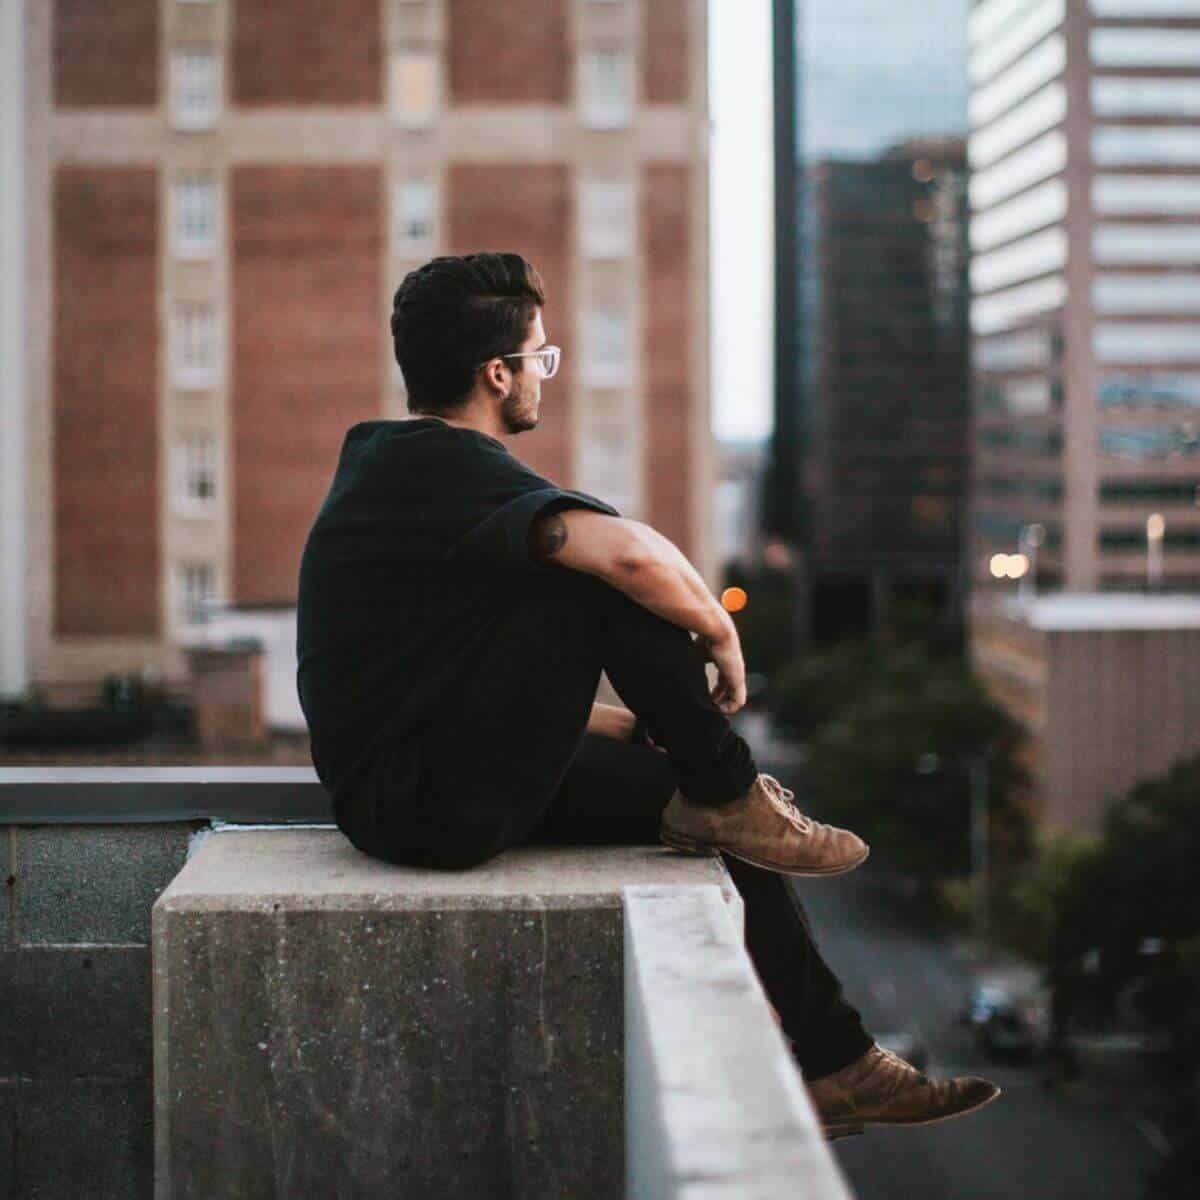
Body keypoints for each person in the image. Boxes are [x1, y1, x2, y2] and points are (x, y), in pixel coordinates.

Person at [296, 251, 1000, 1139]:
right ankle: (731, 787)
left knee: (711, 822)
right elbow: (629, 556)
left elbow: (431, 679)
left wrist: (625, 727)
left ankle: (838, 1063)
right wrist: (718, 629)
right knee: (590, 577)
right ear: (497, 373)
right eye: (540, 359)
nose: (545, 377)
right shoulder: (449, 469)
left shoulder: (397, 469)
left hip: (411, 793)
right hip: (426, 808)